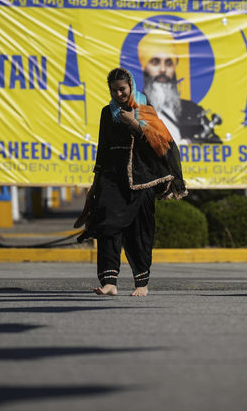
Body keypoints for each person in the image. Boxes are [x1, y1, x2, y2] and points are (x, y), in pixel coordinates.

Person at [74, 67, 187, 296]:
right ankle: (109, 282)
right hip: (112, 179)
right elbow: (103, 149)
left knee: (140, 231)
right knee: (107, 227)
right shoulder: (107, 113)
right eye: (114, 90)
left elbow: (161, 145)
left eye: (122, 90)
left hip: (141, 180)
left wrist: (134, 124)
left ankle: (141, 284)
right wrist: (96, 184)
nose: (118, 95)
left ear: (131, 87)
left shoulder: (145, 110)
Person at [138, 30, 222, 143]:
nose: (163, 69)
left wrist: (190, 142)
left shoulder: (193, 110)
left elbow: (217, 145)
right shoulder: (132, 109)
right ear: (145, 68)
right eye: (155, 62)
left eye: (168, 63)